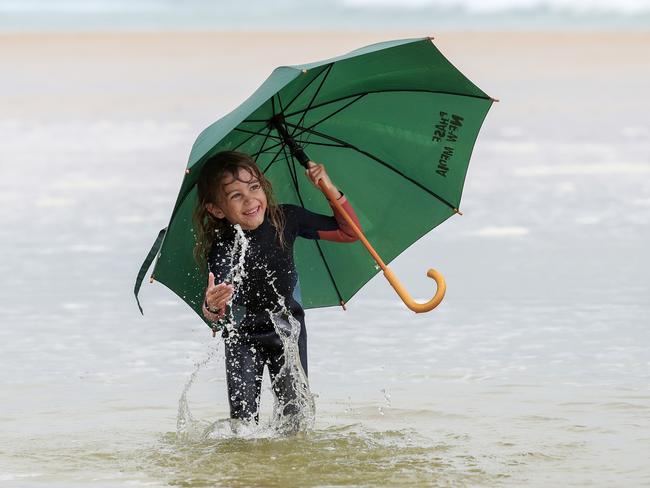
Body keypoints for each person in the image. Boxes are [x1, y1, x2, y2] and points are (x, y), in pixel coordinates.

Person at [192, 150, 360, 423]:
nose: (250, 200)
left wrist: (328, 188)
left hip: (288, 332)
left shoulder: (286, 218)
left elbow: (349, 232)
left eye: (254, 187)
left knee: (295, 421)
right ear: (216, 209)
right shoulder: (222, 246)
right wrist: (212, 304)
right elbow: (215, 311)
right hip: (243, 339)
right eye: (236, 195)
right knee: (242, 425)